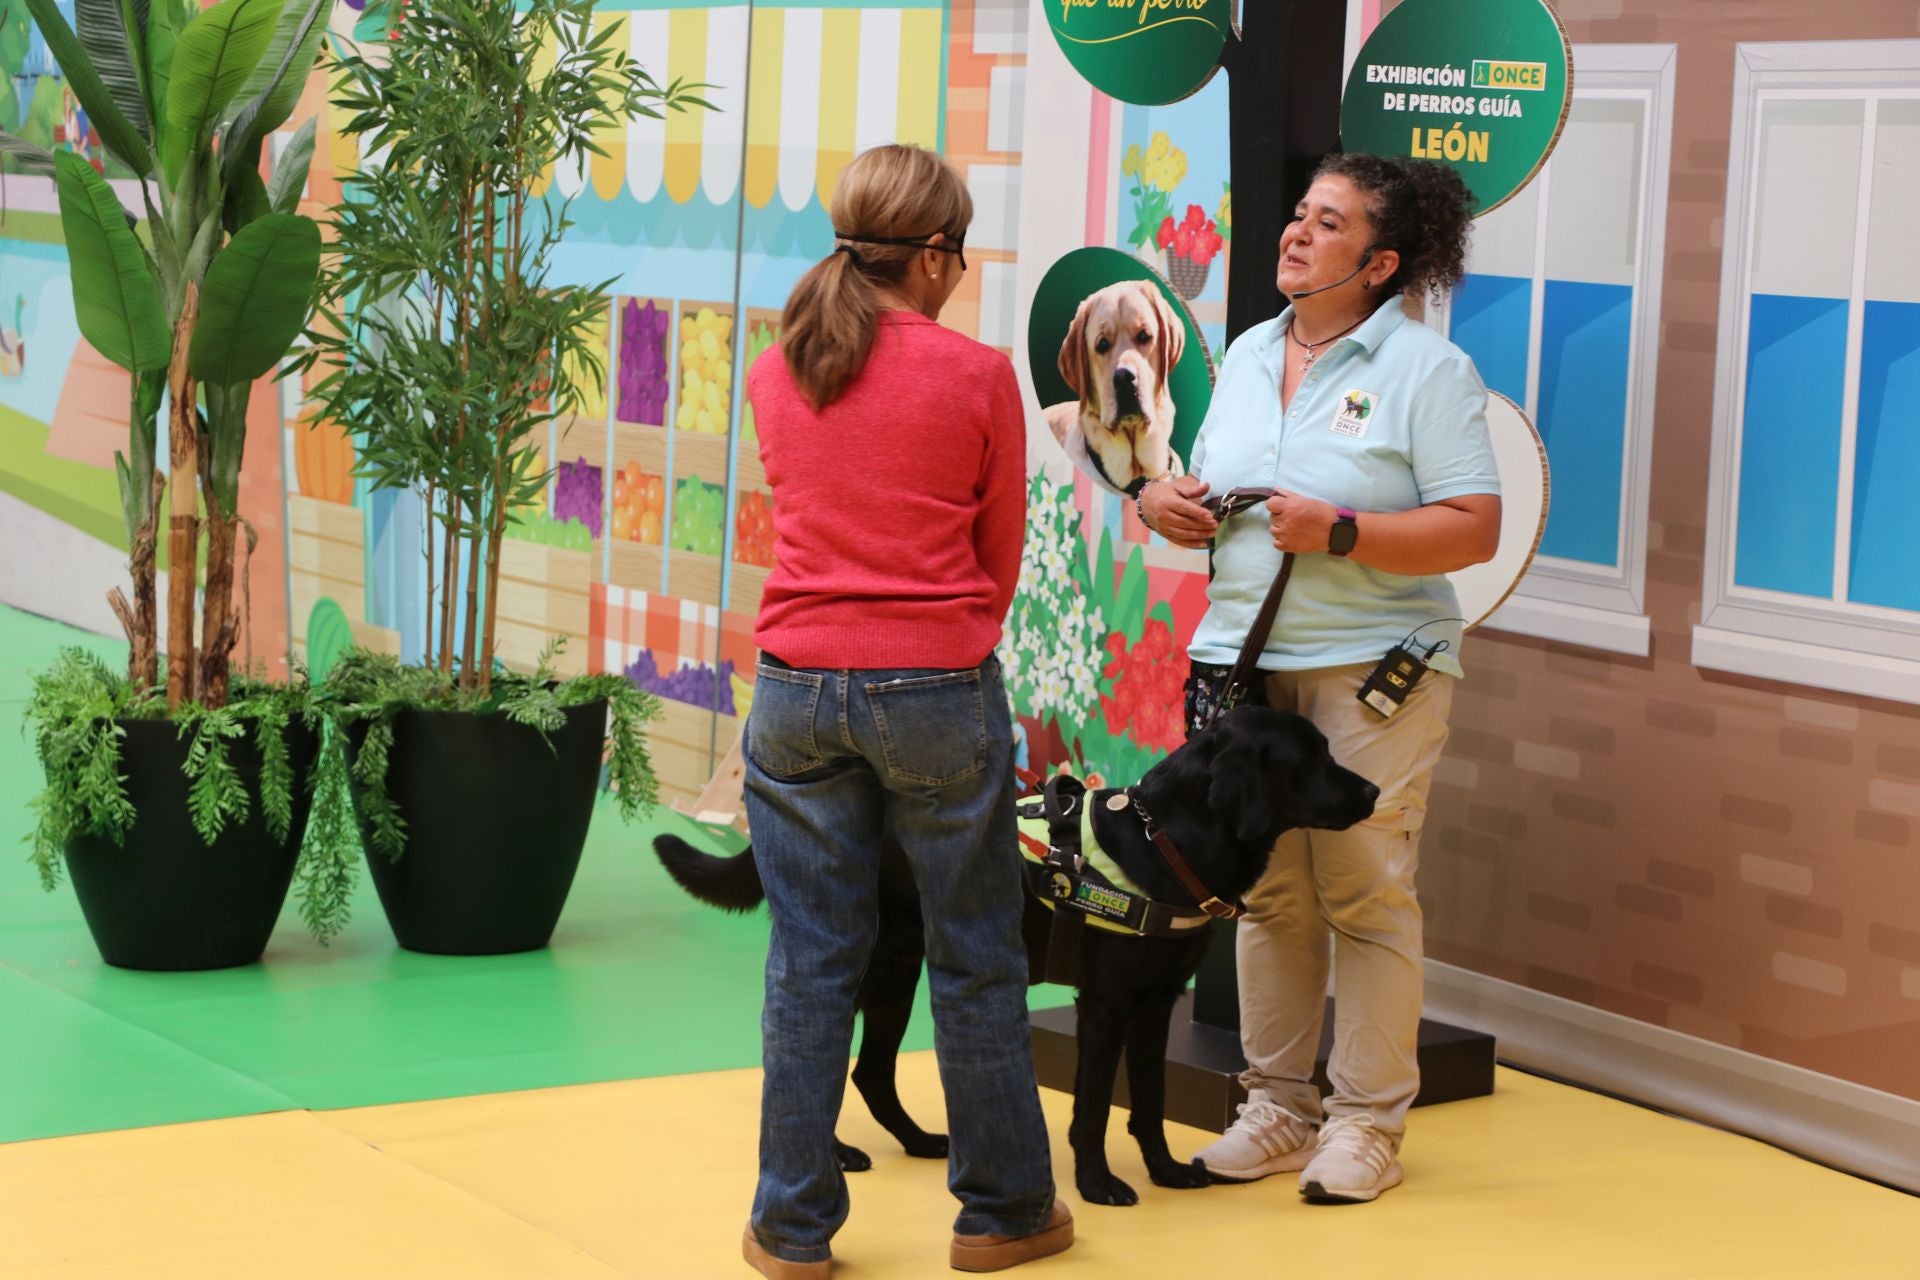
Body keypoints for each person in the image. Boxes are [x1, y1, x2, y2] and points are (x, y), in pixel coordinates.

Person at [1138, 153, 1502, 1204]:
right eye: (1298, 212)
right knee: (1266, 895)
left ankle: (1368, 1125)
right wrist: (1165, 502)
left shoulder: (1429, 372)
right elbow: (1205, 486)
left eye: (1327, 223)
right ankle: (1278, 1107)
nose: (1296, 233)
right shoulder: (1250, 350)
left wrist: (1341, 529)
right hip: (1243, 665)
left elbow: (1474, 527)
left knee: (1365, 890)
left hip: (1375, 669)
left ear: (1380, 262)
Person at [739, 143, 1071, 1278]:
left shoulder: (777, 367)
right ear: (931, 254)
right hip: (933, 686)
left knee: (809, 958)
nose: (962, 274)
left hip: (792, 686)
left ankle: (790, 1230)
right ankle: (1006, 1211)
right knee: (975, 953)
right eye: (960, 255)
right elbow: (997, 563)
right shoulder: (977, 377)